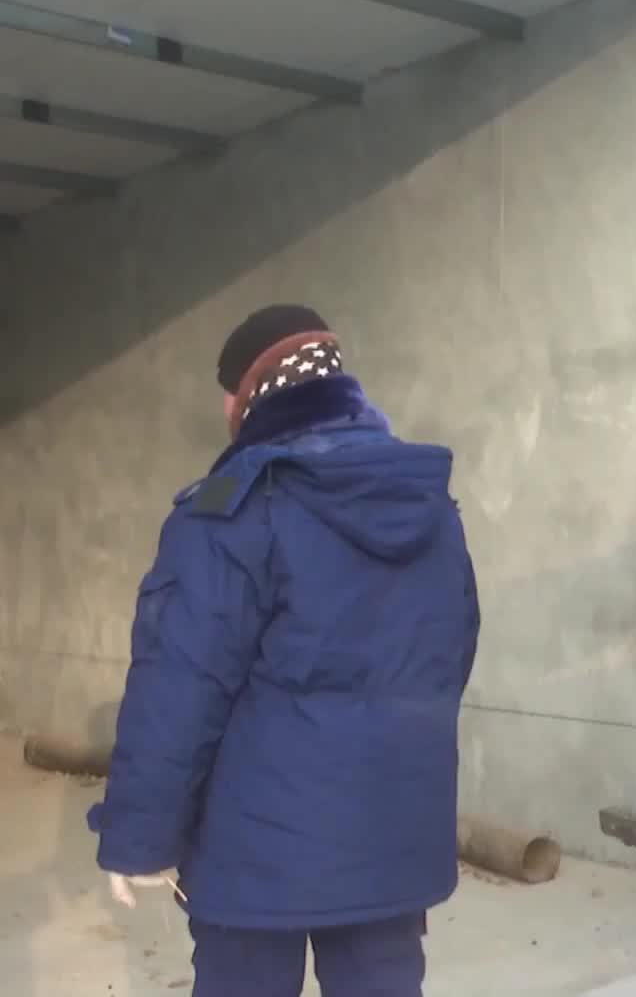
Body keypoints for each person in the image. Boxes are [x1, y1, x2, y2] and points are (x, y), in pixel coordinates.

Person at [86, 304, 482, 997]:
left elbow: (179, 687)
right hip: (390, 836)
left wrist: (140, 838)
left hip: (253, 853)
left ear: (250, 392)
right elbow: (450, 655)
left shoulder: (237, 507)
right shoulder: (425, 502)